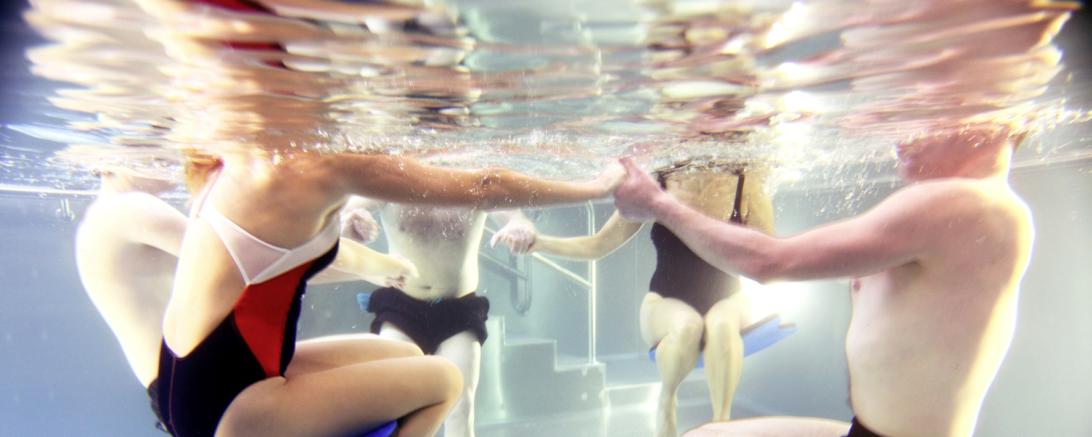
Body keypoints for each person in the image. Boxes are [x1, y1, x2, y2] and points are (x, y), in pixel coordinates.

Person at [151, 146, 620, 437]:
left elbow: (302, 263)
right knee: (444, 384)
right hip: (232, 402)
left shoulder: (235, 172)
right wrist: (600, 187)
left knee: (422, 374)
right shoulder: (316, 170)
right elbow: (486, 185)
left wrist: (370, 259)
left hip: (197, 380)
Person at [611, 123, 1033, 437]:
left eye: (928, 115)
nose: (900, 137)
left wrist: (657, 204)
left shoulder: (965, 203)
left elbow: (770, 262)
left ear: (993, 125)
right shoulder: (986, 210)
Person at [73, 163, 421, 391]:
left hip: (195, 379)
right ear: (111, 163)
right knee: (405, 376)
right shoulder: (128, 210)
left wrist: (366, 269)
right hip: (200, 383)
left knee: (398, 362)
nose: (173, 147)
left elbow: (260, 272)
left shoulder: (109, 218)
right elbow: (257, 262)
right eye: (160, 128)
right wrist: (372, 265)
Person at [492, 160, 775, 437]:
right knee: (688, 326)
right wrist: (538, 243)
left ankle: (721, 425)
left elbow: (769, 254)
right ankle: (667, 398)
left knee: (721, 325)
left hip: (730, 299)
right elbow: (598, 244)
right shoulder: (656, 185)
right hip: (666, 301)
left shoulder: (746, 183)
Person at [340, 200, 538, 437]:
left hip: (459, 310)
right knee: (397, 406)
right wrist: (352, 219)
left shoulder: (473, 180)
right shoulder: (397, 173)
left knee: (460, 407)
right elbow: (343, 215)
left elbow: (516, 217)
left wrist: (520, 225)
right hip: (402, 307)